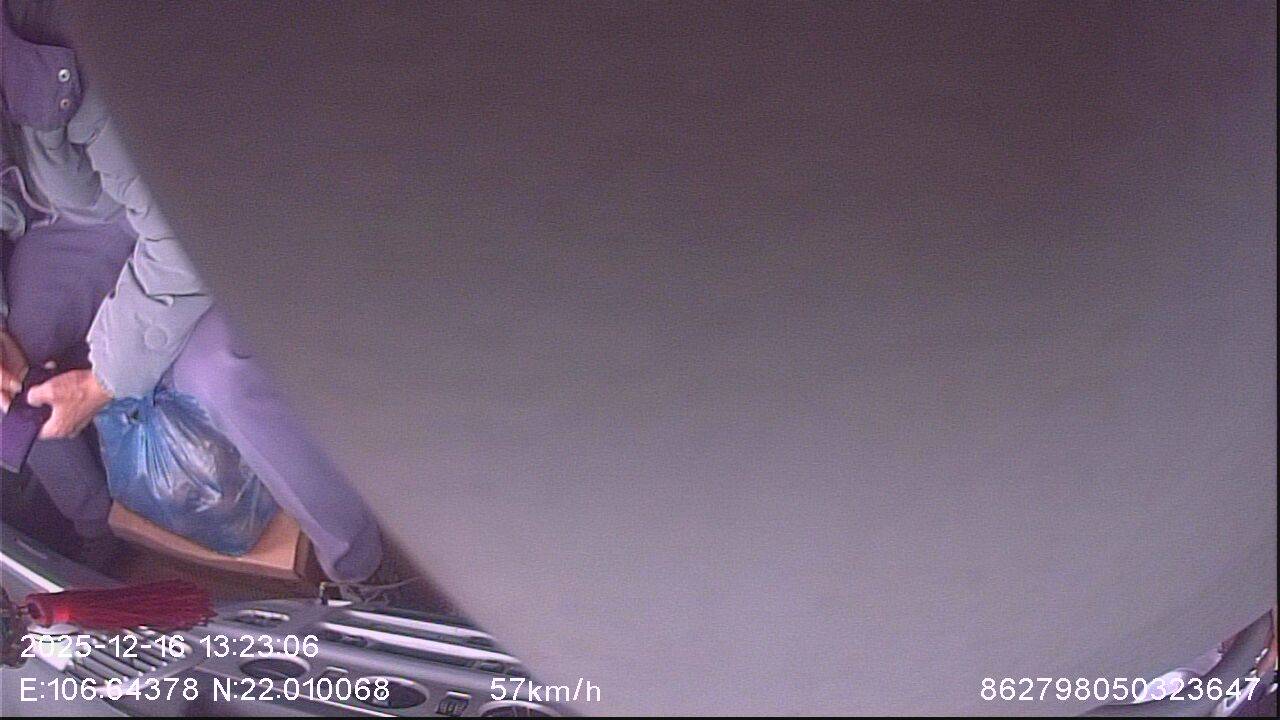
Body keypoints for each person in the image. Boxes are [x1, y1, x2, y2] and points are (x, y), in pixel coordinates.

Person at [0, 0, 384, 588]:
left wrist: (104, 380)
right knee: (12, 386)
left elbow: (180, 232)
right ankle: (101, 538)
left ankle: (361, 570)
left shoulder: (70, 25)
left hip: (219, 196)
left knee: (218, 371)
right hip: (80, 210)